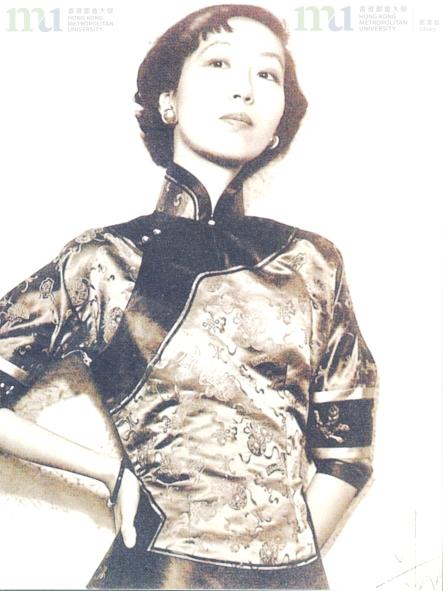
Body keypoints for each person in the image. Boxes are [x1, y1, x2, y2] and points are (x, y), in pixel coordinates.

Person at [0, 4, 378, 589]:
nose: (244, 88)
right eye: (218, 63)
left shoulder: (313, 263)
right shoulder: (108, 259)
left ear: (279, 123)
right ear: (167, 101)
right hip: (158, 573)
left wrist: (286, 567)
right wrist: (108, 474)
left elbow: (347, 456)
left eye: (267, 74)